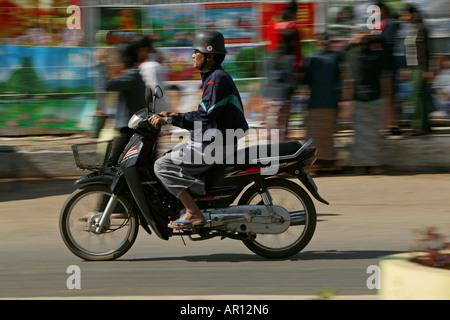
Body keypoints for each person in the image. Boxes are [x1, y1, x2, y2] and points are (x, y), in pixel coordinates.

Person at [148, 31, 249, 229]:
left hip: (216, 145)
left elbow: (204, 117)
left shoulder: (216, 79)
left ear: (209, 56)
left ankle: (193, 212)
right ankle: (195, 193)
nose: (193, 55)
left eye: (196, 52)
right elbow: (205, 113)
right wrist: (174, 115)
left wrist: (169, 120)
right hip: (212, 141)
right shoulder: (213, 78)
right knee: (170, 156)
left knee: (162, 166)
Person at [348, 24, 385, 174]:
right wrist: (374, 37)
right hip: (375, 98)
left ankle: (360, 166)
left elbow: (346, 50)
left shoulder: (354, 57)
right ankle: (375, 165)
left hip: (359, 98)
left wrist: (355, 39)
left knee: (360, 135)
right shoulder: (376, 58)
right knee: (373, 134)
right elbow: (385, 47)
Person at [304, 33, 341, 171]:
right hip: (331, 100)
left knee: (314, 134)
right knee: (327, 134)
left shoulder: (312, 58)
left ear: (318, 43)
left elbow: (308, 79)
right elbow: (337, 78)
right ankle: (329, 163)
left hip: (316, 100)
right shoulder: (335, 57)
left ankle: (314, 163)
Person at [106, 40, 146, 165]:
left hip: (129, 130)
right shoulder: (132, 74)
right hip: (130, 128)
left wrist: (101, 65)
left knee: (112, 164)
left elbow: (108, 85)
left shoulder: (132, 75)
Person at [399, 3, 433, 135]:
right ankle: (425, 125)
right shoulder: (411, 29)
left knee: (418, 96)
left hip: (421, 67)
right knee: (420, 95)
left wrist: (428, 69)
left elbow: (427, 50)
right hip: (413, 67)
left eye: (405, 14)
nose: (403, 17)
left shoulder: (422, 29)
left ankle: (418, 126)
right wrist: (408, 68)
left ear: (412, 14)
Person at [263, 28, 297, 142]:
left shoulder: (270, 56)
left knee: (270, 130)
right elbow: (291, 81)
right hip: (283, 98)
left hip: (269, 97)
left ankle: (269, 153)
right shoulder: (289, 58)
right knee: (281, 131)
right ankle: (280, 154)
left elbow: (266, 76)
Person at [133, 35, 170, 114]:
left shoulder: (151, 67)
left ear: (144, 49)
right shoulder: (139, 65)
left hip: (154, 113)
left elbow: (155, 93)